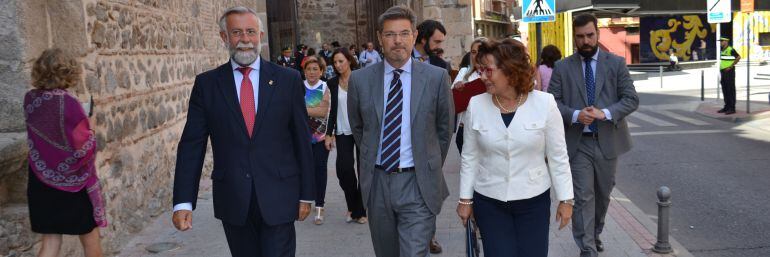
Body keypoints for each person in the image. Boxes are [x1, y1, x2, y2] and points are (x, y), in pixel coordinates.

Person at [172, 7, 315, 257]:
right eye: (236, 32)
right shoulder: (207, 85)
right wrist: (183, 201)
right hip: (234, 199)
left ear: (260, 35)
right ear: (224, 37)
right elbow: (192, 145)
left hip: (280, 196)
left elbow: (301, 140)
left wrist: (307, 194)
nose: (245, 39)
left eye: (250, 32)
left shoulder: (288, 80)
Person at [347, 5, 454, 257]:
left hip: (418, 183)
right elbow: (359, 128)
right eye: (390, 34)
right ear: (379, 37)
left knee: (414, 253)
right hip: (378, 182)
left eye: (404, 33)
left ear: (415, 36)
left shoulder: (436, 78)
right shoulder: (360, 80)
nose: (397, 41)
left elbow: (444, 129)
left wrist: (428, 162)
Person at [456, 38, 574, 257]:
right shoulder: (476, 104)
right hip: (489, 200)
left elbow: (558, 156)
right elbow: (469, 157)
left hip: (533, 200)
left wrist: (566, 199)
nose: (482, 77)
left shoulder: (545, 103)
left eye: (488, 71)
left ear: (509, 71)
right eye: (480, 70)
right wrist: (465, 199)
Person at [547, 13, 639, 257]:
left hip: (608, 141)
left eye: (589, 35)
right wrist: (576, 115)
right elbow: (552, 102)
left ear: (597, 33)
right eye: (580, 37)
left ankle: (595, 232)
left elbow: (631, 99)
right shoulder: (562, 67)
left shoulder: (616, 63)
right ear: (574, 38)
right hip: (578, 144)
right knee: (583, 197)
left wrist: (606, 113)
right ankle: (587, 248)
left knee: (603, 194)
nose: (585, 41)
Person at [24, 48, 107, 257]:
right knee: (90, 237)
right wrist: (92, 126)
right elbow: (82, 149)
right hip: (73, 185)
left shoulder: (30, 99)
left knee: (51, 240)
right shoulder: (69, 103)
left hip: (40, 180)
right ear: (68, 72)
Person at [324, 47, 368, 224]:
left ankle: (361, 211)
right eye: (335, 62)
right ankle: (352, 205)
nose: (338, 65)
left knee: (364, 173)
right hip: (342, 131)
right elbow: (331, 110)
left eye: (341, 61)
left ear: (349, 60)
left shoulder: (361, 79)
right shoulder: (332, 83)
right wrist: (328, 134)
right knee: (344, 170)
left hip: (363, 132)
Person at [301, 56, 331, 225]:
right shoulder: (298, 86)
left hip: (320, 137)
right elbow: (293, 110)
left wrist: (304, 109)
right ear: (304, 71)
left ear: (321, 71)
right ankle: (304, 201)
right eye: (309, 69)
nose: (312, 72)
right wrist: (315, 108)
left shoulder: (326, 87)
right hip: (302, 137)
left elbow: (323, 112)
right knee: (304, 169)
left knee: (320, 170)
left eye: (315, 69)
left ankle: (319, 206)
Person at [452, 37, 488, 153]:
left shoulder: (496, 74)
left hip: (487, 130)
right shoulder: (464, 73)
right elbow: (452, 103)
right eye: (473, 52)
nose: (476, 55)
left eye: (481, 51)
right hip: (465, 129)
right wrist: (457, 88)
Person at [718, 37, 740, 115]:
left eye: (722, 41)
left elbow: (738, 57)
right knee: (725, 89)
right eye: (720, 41)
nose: (720, 42)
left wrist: (731, 66)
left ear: (726, 41)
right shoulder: (722, 49)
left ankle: (732, 108)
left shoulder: (731, 49)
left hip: (729, 72)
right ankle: (727, 106)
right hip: (723, 72)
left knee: (730, 90)